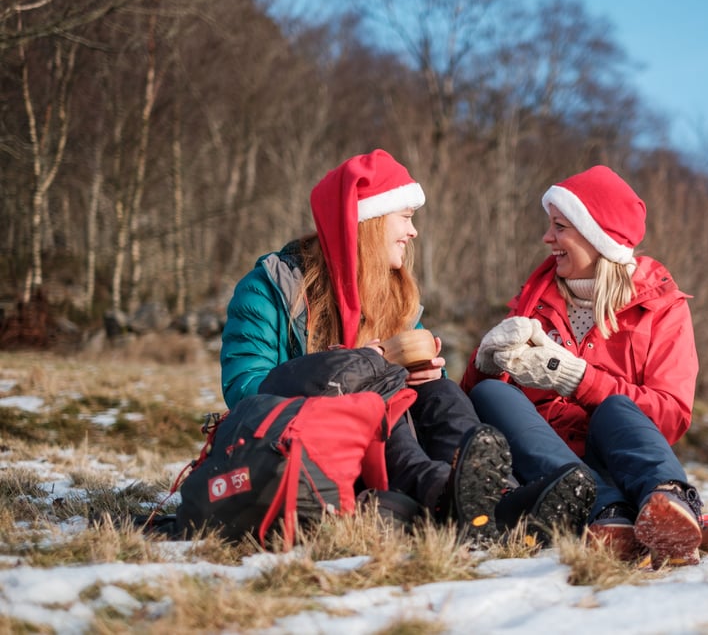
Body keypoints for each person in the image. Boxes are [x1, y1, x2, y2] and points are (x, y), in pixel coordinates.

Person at [219, 149, 593, 542]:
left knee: (441, 389)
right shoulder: (271, 287)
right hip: (307, 441)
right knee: (376, 392)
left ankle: (495, 492)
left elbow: (422, 382)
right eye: (407, 218)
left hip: (387, 448)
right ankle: (447, 494)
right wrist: (364, 363)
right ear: (369, 222)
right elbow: (247, 390)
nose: (413, 232)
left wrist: (426, 371)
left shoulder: (394, 291)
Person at [461, 165, 704, 566]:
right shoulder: (532, 303)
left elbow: (672, 415)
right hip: (554, 467)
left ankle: (668, 500)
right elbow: (487, 417)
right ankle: (606, 514)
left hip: (619, 459)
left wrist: (578, 380)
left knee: (615, 409)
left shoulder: (662, 310)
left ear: (596, 235)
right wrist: (482, 364)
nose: (547, 238)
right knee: (491, 392)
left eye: (560, 226)